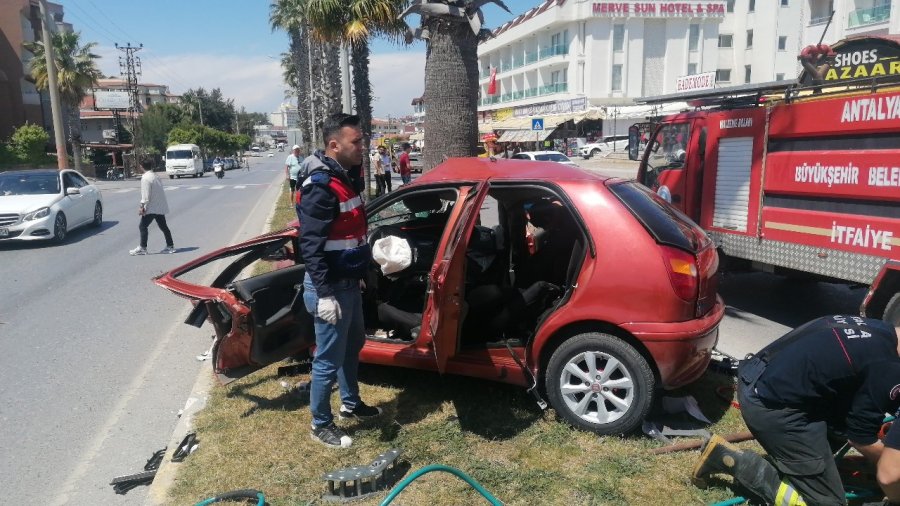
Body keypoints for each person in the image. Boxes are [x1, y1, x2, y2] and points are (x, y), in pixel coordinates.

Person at [693, 315, 900, 506]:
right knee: (828, 502)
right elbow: (862, 440)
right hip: (772, 406)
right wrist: (891, 467)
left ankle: (805, 466)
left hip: (766, 376)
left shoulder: (882, 332)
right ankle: (729, 459)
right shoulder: (888, 368)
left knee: (839, 434)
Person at [298, 113, 382, 448]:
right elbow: (310, 245)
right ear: (335, 145)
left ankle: (350, 402)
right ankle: (320, 424)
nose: (363, 146)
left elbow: (349, 235)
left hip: (347, 283)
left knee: (353, 346)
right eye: (356, 142)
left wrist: (356, 276)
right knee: (327, 360)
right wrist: (324, 294)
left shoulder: (343, 178)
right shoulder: (320, 186)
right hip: (329, 288)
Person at [129, 158, 175, 255]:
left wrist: (142, 207)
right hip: (159, 206)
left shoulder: (145, 178)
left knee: (142, 226)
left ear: (141, 167)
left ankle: (143, 247)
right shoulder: (156, 176)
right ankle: (170, 246)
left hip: (152, 207)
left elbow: (145, 196)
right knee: (163, 227)